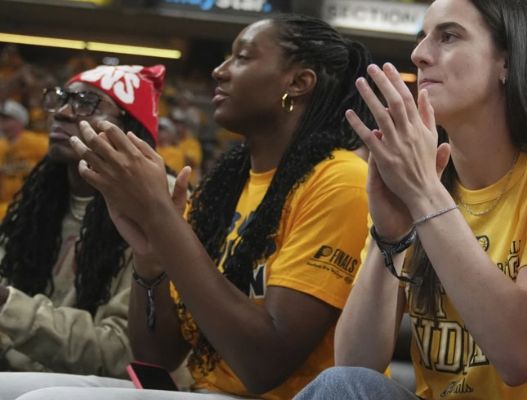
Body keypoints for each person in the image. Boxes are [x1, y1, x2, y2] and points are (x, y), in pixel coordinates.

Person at [6, 14, 372, 400]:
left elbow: (263, 366)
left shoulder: (340, 180)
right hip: (205, 390)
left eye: (242, 57)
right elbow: (156, 357)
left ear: (298, 83)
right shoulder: (224, 186)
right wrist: (149, 259)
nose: (219, 71)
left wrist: (162, 220)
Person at [296, 0, 527, 398]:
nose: (419, 54)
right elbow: (355, 364)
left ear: (508, 61)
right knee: (340, 385)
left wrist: (424, 195)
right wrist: (390, 238)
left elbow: (522, 354)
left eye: (448, 36)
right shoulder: (423, 177)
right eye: (422, 38)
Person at [0, 65, 167, 378]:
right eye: (62, 99)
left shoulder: (160, 209)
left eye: (87, 103)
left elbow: (121, 353)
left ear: (130, 130)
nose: (62, 113)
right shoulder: (39, 201)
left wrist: (8, 306)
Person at [0, 99, 48, 219]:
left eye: (7, 120)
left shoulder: (38, 142)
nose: (3, 124)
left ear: (20, 121)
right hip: (5, 205)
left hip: (32, 202)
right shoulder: (1, 146)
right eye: (1, 120)